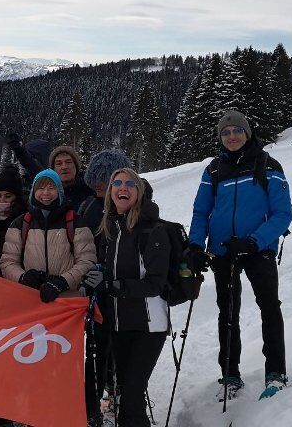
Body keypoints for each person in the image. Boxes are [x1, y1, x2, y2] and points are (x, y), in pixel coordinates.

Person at [187, 110, 292, 402]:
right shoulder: (213, 170)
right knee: (228, 312)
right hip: (224, 251)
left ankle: (276, 373)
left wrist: (255, 242)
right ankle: (230, 375)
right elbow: (201, 211)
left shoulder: (268, 165)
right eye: (225, 132)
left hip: (259, 250)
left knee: (269, 307)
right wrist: (195, 245)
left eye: (237, 130)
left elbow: (283, 214)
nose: (232, 136)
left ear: (247, 133)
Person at [84, 168, 173, 427]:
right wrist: (98, 276)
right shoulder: (111, 228)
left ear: (139, 192)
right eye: (117, 183)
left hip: (149, 326)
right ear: (110, 192)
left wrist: (111, 286)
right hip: (120, 324)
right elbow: (110, 270)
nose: (123, 187)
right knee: (125, 395)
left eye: (130, 184)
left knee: (132, 398)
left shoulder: (152, 230)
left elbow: (155, 284)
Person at [74, 149, 130, 426]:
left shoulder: (131, 207)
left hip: (123, 288)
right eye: (95, 178)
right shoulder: (89, 206)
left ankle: (119, 395)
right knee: (97, 349)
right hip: (94, 288)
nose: (99, 184)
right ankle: (92, 406)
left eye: (104, 178)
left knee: (119, 346)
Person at [0, 168, 96, 305]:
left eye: (51, 188)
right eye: (40, 188)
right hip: (30, 300)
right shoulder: (21, 224)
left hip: (67, 301)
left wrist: (63, 282)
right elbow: (8, 261)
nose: (45, 193)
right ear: (33, 192)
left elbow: (87, 261)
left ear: (59, 191)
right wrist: (22, 277)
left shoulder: (75, 222)